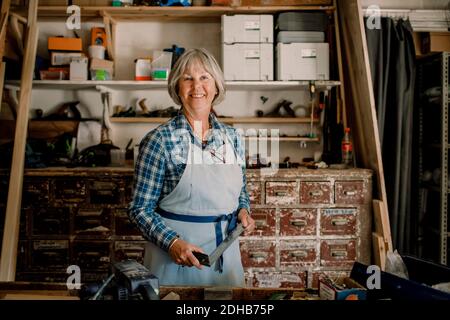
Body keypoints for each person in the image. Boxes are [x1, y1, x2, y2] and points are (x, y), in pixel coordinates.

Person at [128, 48, 255, 287]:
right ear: (177, 88)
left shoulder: (233, 138)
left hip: (226, 259)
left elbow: (241, 192)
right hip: (174, 263)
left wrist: (244, 212)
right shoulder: (160, 140)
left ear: (216, 87)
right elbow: (139, 209)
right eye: (188, 78)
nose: (197, 86)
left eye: (205, 77)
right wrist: (172, 243)